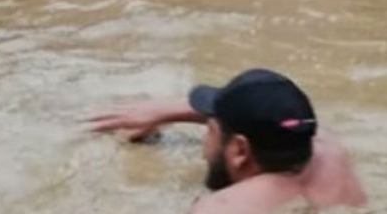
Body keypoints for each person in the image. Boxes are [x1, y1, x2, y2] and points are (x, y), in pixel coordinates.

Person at [87, 68, 368, 214]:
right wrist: (165, 110)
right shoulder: (330, 151)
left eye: (210, 129)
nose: (203, 149)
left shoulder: (221, 210)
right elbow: (287, 119)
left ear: (240, 150)